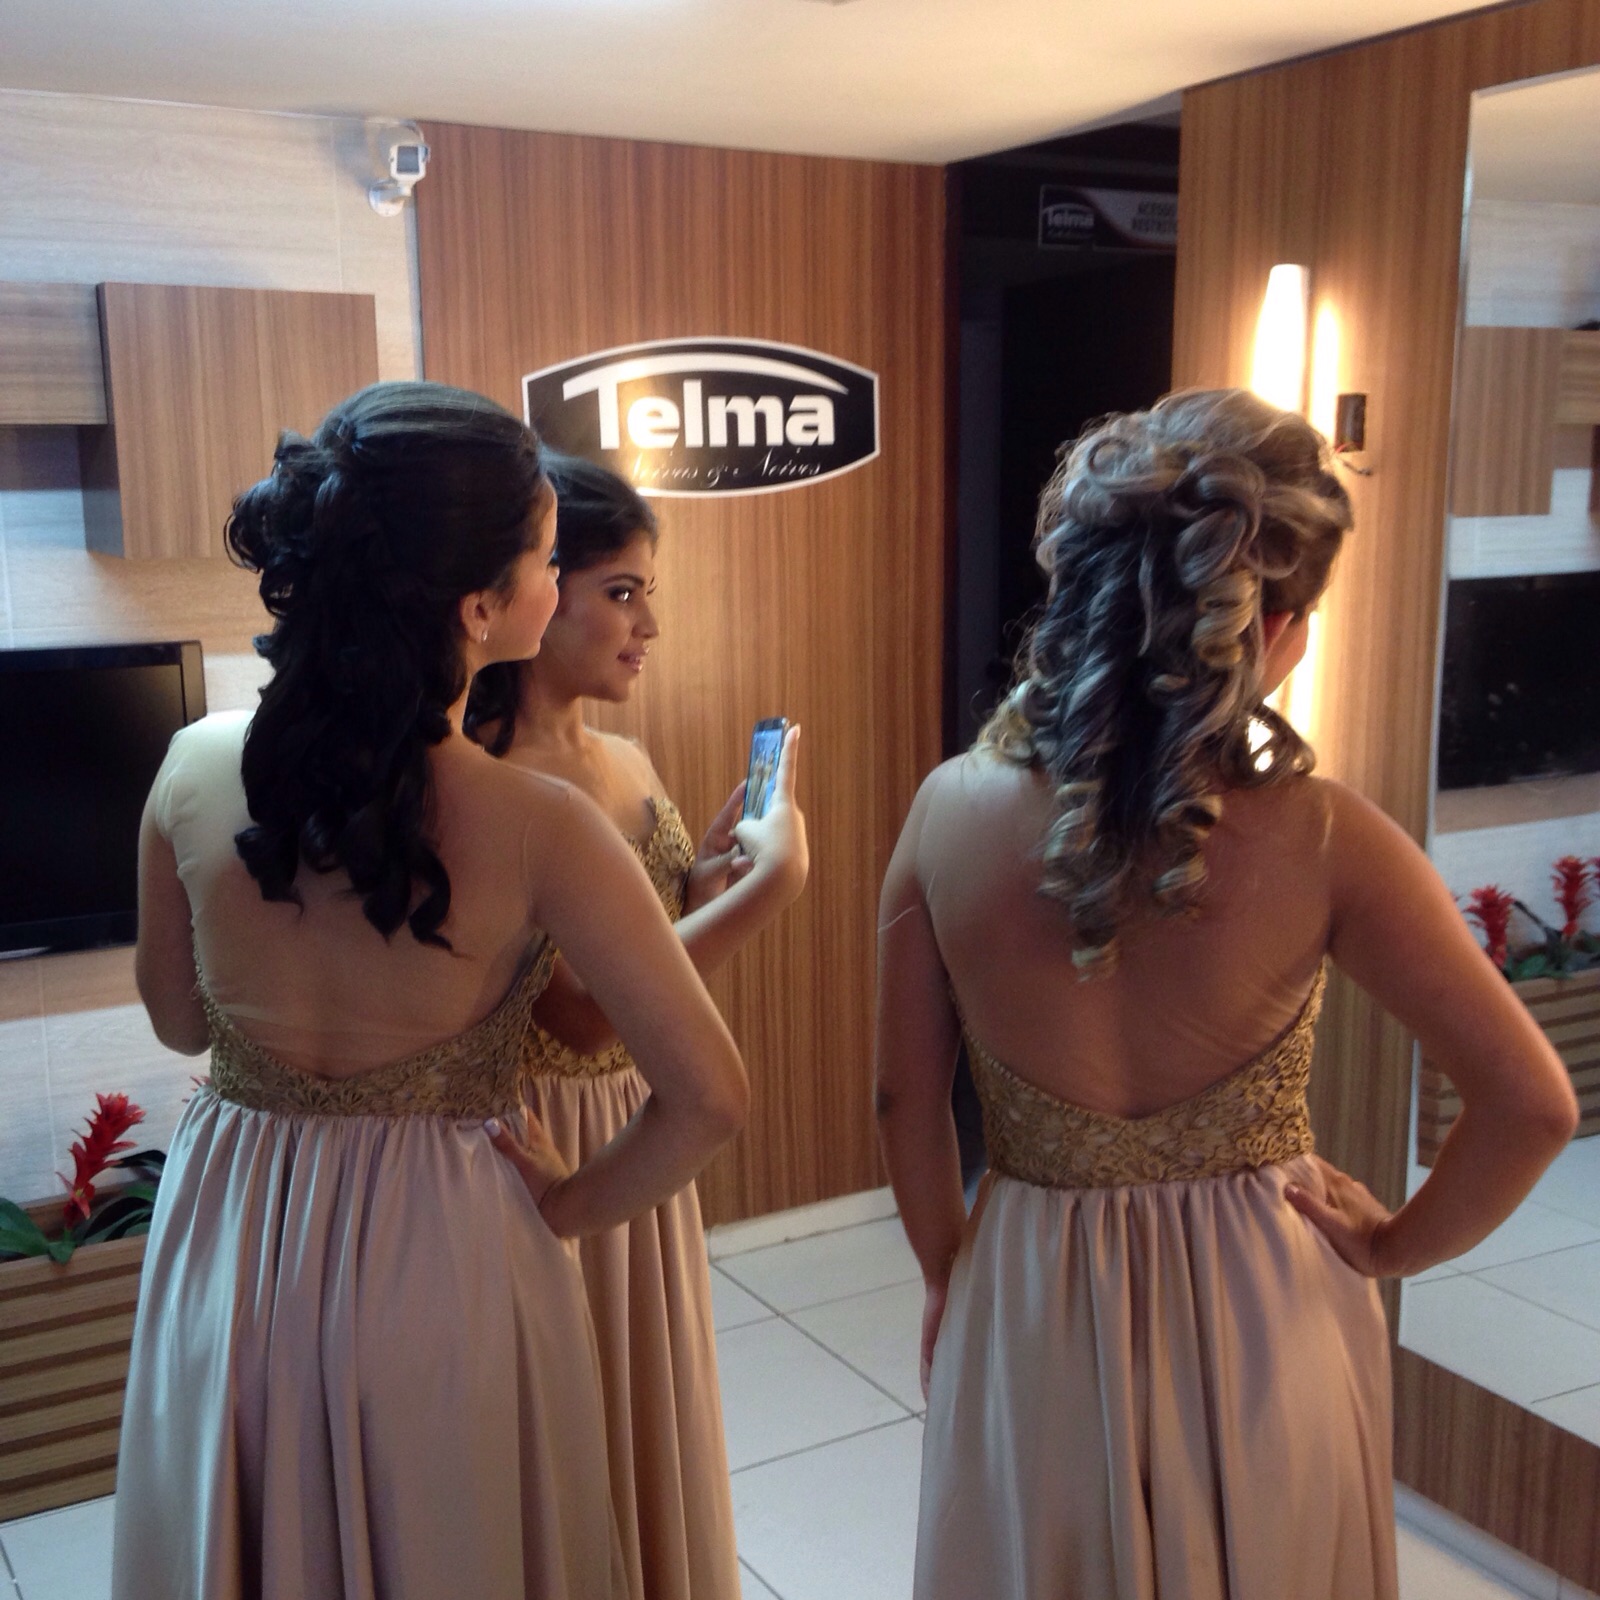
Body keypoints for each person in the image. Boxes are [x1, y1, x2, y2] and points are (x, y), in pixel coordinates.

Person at [875, 388, 1579, 1600]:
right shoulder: (1327, 836)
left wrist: (953, 1277)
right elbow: (1532, 1105)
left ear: (1079, 597)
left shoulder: (946, 808)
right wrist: (1392, 1245)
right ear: (1280, 628)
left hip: (1032, 1287)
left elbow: (904, 1101)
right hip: (1264, 1302)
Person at [115, 384, 748, 1600]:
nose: (557, 580)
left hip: (235, 1231)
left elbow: (178, 1018)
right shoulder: (542, 822)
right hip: (446, 1243)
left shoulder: (190, 763)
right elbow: (709, 1096)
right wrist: (567, 1205)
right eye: (549, 558)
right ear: (481, 606)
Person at [465, 452, 808, 1600]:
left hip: (636, 1115)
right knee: (574, 1419)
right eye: (621, 591)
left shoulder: (623, 758)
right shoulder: (492, 782)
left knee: (642, 1405)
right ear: (535, 588)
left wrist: (699, 885)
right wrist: (768, 890)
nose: (648, 624)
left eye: (646, 592)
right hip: (547, 1136)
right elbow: (581, 1013)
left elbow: (641, 950)